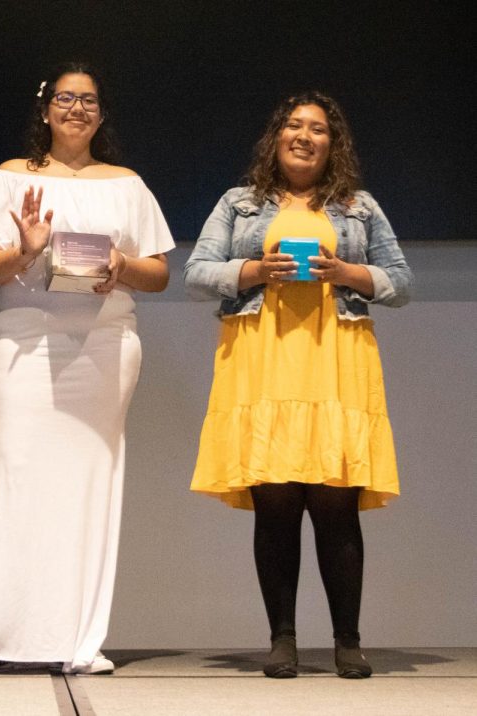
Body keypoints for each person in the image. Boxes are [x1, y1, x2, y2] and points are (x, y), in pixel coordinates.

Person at [0, 62, 174, 676]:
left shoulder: (127, 183)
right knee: (18, 477)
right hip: (26, 341)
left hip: (105, 343)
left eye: (90, 101)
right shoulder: (10, 178)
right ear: (45, 109)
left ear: (102, 114)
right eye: (66, 99)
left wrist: (120, 265)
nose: (78, 109)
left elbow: (158, 273)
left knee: (90, 485)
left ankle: (79, 641)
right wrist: (25, 249)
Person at [184, 92, 412, 679]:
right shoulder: (240, 203)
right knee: (277, 504)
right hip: (263, 361)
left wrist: (347, 272)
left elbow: (401, 282)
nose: (304, 135)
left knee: (337, 504)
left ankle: (347, 641)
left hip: (335, 360)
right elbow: (197, 273)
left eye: (317, 129)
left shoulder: (358, 207)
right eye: (293, 125)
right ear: (276, 137)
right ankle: (282, 638)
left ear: (333, 145)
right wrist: (257, 270)